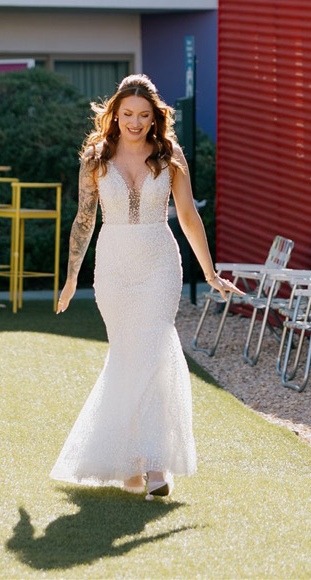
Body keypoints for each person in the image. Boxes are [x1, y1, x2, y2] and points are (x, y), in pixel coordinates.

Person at [51, 74, 242, 499]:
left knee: (155, 353)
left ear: (155, 117)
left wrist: (209, 273)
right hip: (114, 266)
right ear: (114, 115)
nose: (135, 123)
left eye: (143, 115)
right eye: (127, 114)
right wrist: (70, 279)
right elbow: (83, 221)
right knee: (127, 357)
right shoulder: (95, 158)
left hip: (159, 263)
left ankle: (156, 464)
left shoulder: (169, 155)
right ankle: (129, 462)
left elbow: (189, 216)